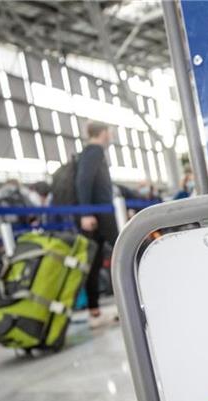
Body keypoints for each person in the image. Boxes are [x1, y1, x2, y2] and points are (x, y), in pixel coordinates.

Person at [75, 121, 119, 328]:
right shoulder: (94, 151)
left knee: (94, 261)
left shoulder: (92, 152)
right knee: (123, 250)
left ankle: (94, 312)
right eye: (109, 132)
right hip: (99, 213)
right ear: (102, 133)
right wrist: (86, 212)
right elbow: (83, 181)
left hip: (99, 212)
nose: (111, 136)